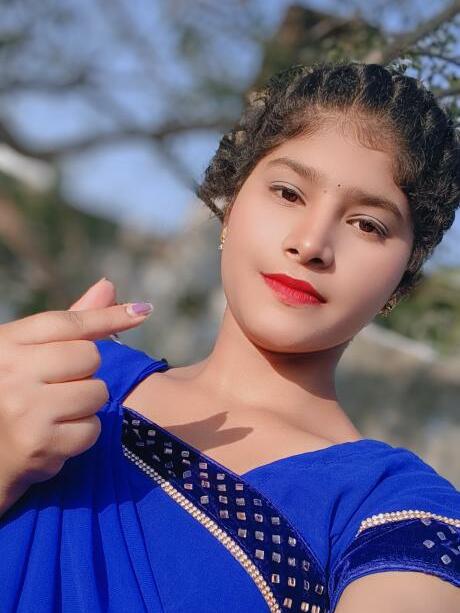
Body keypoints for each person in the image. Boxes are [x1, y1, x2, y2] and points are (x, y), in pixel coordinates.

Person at [0, 60, 459, 613]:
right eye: (288, 192)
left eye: (368, 224)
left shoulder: (393, 509)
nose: (311, 243)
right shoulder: (57, 379)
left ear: (402, 277)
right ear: (229, 204)